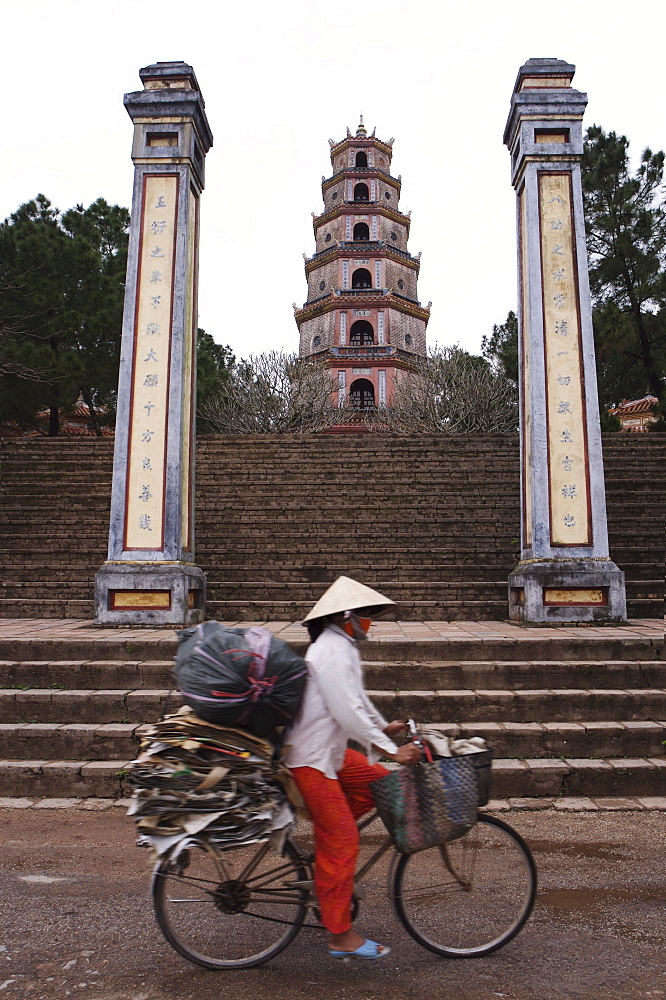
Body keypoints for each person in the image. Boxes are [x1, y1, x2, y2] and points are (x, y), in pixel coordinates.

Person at [285, 576, 421, 961]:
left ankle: (329, 868)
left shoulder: (338, 646)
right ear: (347, 617)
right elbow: (347, 709)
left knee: (379, 784)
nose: (370, 624)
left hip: (329, 751)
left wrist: (382, 731)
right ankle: (339, 934)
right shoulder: (331, 650)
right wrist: (392, 752)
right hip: (309, 758)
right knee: (344, 839)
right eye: (366, 616)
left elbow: (354, 704)